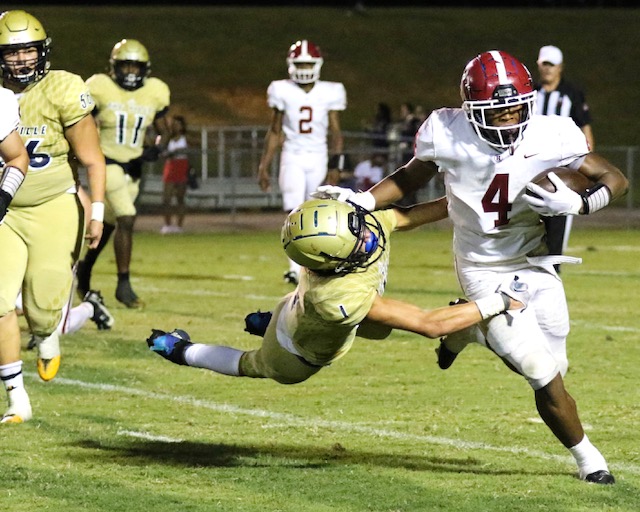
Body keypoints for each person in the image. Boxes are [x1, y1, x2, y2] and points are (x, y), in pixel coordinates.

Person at [316, 50, 628, 484]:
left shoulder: (553, 133)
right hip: (483, 267)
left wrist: (580, 202)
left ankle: (466, 330)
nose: (507, 121)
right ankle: (590, 460)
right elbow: (410, 177)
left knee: (557, 366)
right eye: (495, 113)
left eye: (514, 109)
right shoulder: (447, 132)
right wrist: (365, 199)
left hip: (536, 261)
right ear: (471, 111)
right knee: (540, 372)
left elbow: (615, 178)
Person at [146, 198, 525, 390]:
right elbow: (428, 325)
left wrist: (467, 201)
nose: (368, 237)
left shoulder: (347, 235)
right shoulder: (337, 297)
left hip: (300, 308)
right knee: (251, 364)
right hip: (295, 355)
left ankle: (264, 322)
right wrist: (500, 301)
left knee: (380, 328)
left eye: (358, 228)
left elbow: (402, 215)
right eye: (356, 241)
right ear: (331, 260)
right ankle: (182, 351)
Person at [0, 10, 107, 423]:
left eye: (28, 49)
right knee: (0, 302)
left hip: (52, 205)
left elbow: (92, 159)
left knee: (43, 307)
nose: (22, 59)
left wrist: (96, 211)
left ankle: (46, 336)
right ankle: (16, 397)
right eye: (12, 52)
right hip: (4, 212)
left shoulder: (62, 87)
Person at [77, 38, 170, 308]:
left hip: (134, 168)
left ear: (145, 69)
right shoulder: (99, 87)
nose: (130, 72)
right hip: (106, 164)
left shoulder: (155, 91)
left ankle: (84, 271)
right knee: (127, 218)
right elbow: (82, 123)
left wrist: (157, 147)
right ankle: (123, 285)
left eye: (135, 67)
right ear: (114, 66)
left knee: (107, 226)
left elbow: (164, 129)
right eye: (125, 66)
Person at [257, 40, 347, 285]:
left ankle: (318, 263)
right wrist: (264, 165)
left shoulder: (330, 91)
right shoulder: (281, 89)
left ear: (317, 64)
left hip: (318, 156)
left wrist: (335, 165)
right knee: (293, 209)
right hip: (292, 155)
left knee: (316, 212)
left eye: (307, 62)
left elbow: (336, 133)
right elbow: (275, 131)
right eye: (300, 63)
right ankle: (295, 269)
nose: (304, 67)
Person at [535, 45, 595, 270]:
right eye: (544, 64)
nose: (547, 70)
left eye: (551, 65)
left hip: (562, 167)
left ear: (560, 68)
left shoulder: (572, 94)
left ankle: (553, 267)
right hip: (532, 164)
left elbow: (585, 131)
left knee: (559, 215)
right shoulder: (531, 93)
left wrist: (585, 165)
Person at [160, 115, 190, 234]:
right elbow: (162, 151)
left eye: (178, 124)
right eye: (174, 124)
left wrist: (177, 152)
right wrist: (168, 153)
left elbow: (189, 151)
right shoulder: (168, 138)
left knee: (180, 198)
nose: (176, 126)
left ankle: (179, 226)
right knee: (166, 198)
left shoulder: (185, 138)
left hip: (181, 167)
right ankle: (167, 225)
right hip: (170, 166)